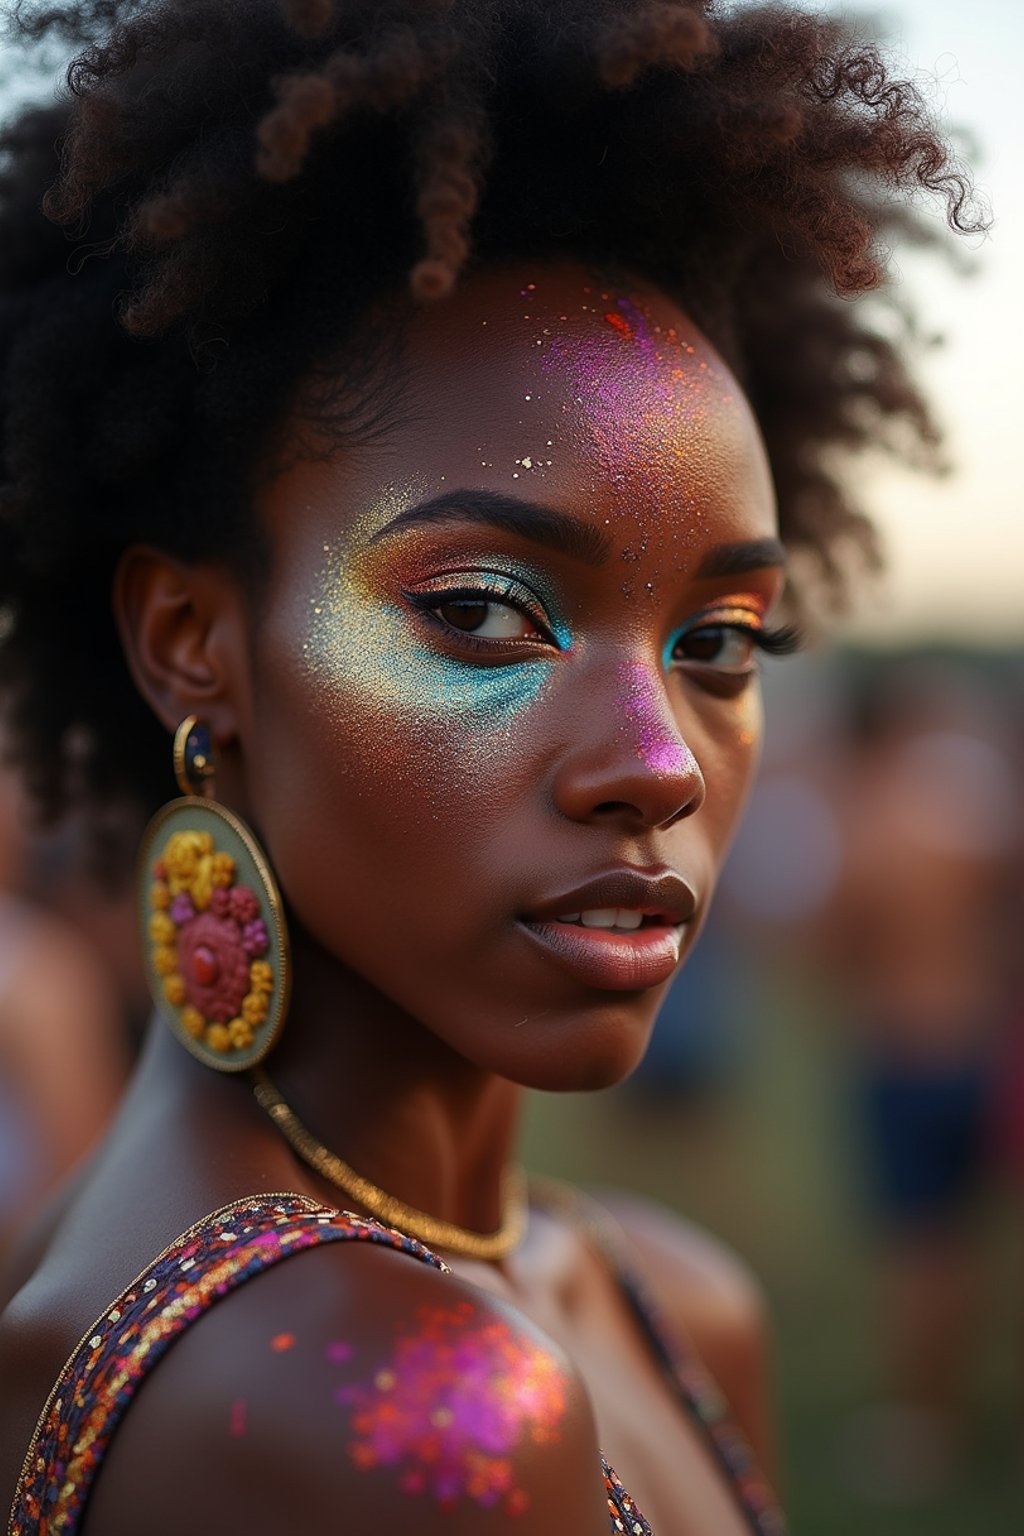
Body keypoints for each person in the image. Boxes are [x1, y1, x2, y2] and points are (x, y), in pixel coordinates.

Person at [0, 2, 975, 1531]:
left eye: (721, 643)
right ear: (193, 639)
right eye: (483, 614)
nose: (658, 766)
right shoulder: (377, 1409)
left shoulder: (672, 1301)